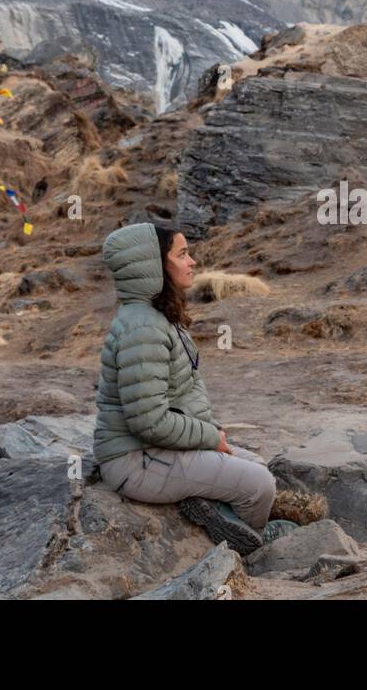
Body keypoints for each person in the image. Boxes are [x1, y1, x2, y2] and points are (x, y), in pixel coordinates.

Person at [92, 220, 297, 555]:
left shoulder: (155, 318)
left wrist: (209, 434)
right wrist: (209, 438)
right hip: (135, 461)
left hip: (153, 451)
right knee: (259, 485)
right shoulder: (143, 329)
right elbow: (149, 421)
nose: (193, 262)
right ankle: (247, 546)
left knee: (256, 464)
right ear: (154, 266)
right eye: (182, 254)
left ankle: (220, 514)